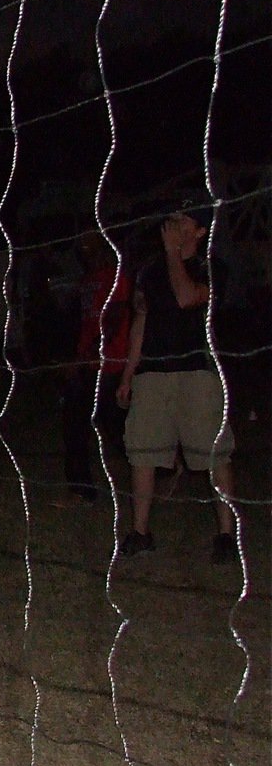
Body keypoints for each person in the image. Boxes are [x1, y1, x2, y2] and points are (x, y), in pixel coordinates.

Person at [116, 200, 237, 563]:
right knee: (142, 453)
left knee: (212, 454)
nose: (173, 222)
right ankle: (140, 532)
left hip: (197, 373)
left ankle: (226, 536)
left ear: (199, 231)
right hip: (153, 374)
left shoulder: (211, 268)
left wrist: (173, 255)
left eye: (184, 219)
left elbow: (187, 298)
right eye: (173, 217)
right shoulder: (148, 271)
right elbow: (141, 322)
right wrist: (128, 376)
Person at [55, 231, 131, 506]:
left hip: (108, 363)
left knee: (113, 427)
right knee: (78, 421)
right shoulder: (88, 280)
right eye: (81, 247)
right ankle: (81, 489)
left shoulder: (114, 276)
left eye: (90, 244)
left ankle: (162, 467)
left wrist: (85, 356)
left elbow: (114, 319)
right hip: (88, 362)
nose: (84, 251)